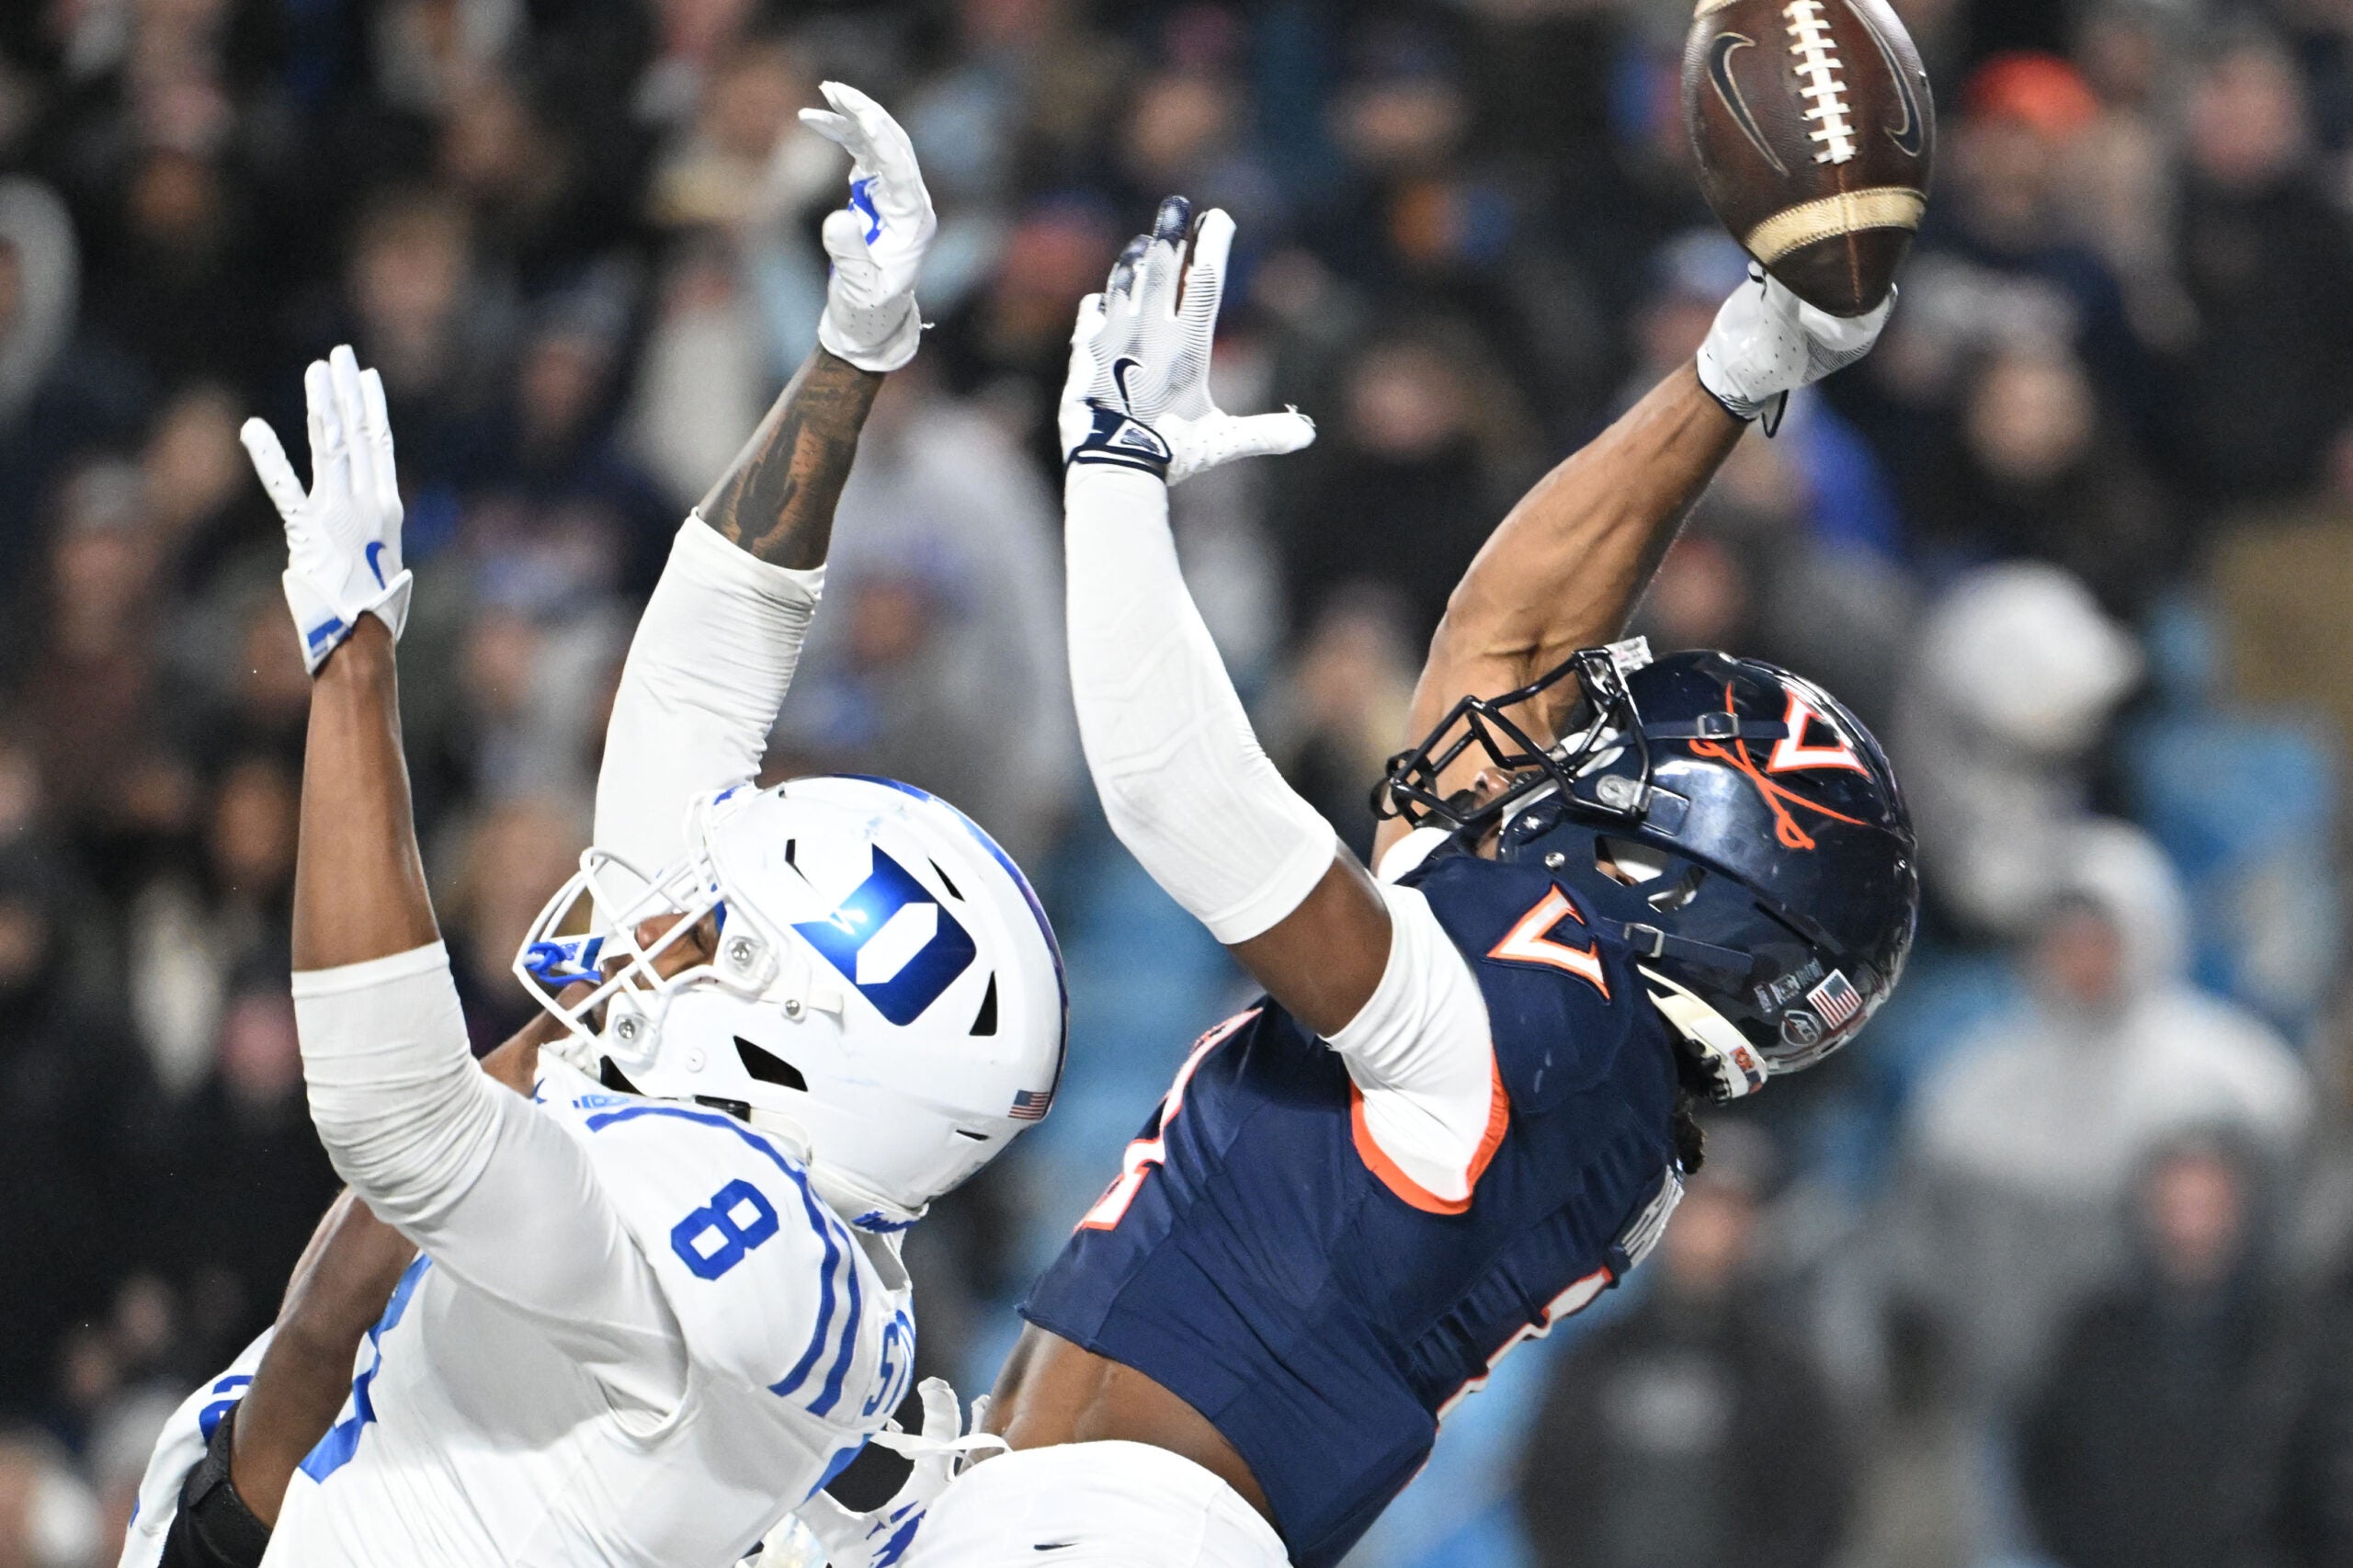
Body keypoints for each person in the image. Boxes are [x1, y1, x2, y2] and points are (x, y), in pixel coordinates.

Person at [876, 199, 1916, 1568]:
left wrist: (1115, 478)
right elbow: (1509, 639)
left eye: (1605, 770)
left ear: (1683, 875)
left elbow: (1179, 796)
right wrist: (1736, 368)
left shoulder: (1529, 1022)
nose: (1556, 760)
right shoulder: (1589, 1064)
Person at [117, 85, 1065, 1568]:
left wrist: (352, 665)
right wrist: (851, 354)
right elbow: (699, 674)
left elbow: (395, 1121)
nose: (681, 918)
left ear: (808, 1039)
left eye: (729, 935)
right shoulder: (780, 1147)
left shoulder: (746, 1258)